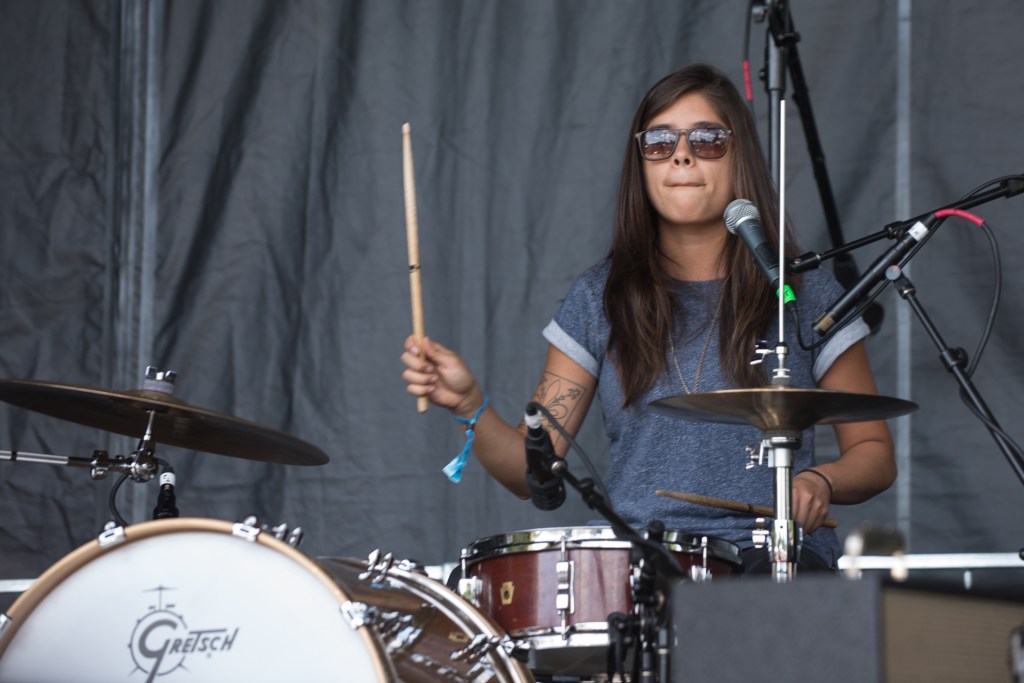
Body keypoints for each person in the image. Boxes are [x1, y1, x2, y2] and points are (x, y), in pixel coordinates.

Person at [400, 63, 895, 573]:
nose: (681, 153)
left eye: (707, 139)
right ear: (641, 164)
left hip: (771, 556)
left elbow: (875, 451)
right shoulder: (600, 298)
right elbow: (532, 473)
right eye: (659, 141)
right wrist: (469, 404)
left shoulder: (803, 291)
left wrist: (822, 481)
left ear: (740, 155)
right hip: (644, 562)